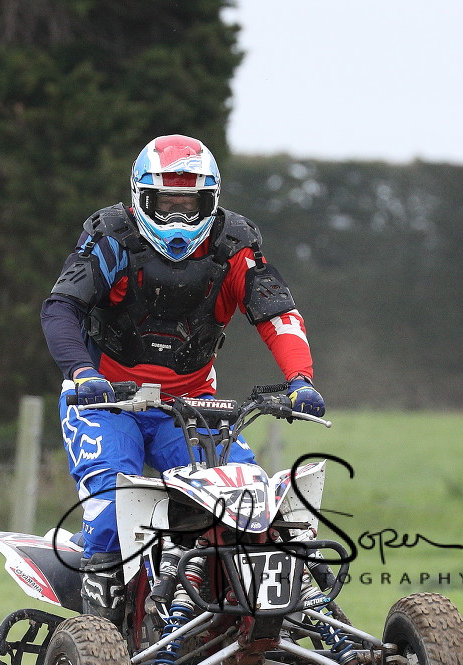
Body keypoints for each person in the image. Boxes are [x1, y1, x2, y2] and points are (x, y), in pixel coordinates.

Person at [40, 133, 324, 626]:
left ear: (211, 202)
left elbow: (278, 314)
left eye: (189, 205)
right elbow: (60, 308)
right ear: (141, 198)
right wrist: (82, 373)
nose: (178, 218)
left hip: (190, 405)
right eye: (166, 203)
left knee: (250, 505)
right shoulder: (111, 238)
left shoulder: (235, 246)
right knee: (111, 507)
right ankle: (100, 632)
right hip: (105, 401)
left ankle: (266, 618)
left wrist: (300, 379)